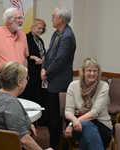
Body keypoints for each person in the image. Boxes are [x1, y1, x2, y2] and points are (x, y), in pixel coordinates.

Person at [0, 61, 53, 150]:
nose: (27, 81)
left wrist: (27, 123)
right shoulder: (11, 103)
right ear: (19, 82)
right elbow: (24, 140)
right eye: (26, 78)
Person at [41, 7, 76, 149]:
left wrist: (46, 73)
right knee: (51, 116)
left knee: (57, 118)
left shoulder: (67, 36)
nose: (51, 18)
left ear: (61, 19)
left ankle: (57, 146)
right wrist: (43, 67)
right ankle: (53, 144)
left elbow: (60, 60)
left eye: (53, 16)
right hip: (51, 79)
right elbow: (49, 54)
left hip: (59, 82)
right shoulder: (57, 33)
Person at [65, 58, 113, 150]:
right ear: (83, 72)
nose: (92, 73)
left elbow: (94, 113)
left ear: (98, 73)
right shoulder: (73, 86)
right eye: (89, 70)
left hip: (102, 126)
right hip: (78, 126)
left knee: (86, 129)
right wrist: (74, 122)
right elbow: (68, 111)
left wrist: (72, 123)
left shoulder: (103, 86)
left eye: (95, 71)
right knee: (87, 128)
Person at [20, 18, 46, 105]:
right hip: (30, 72)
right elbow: (21, 53)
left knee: (37, 97)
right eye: (39, 28)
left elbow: (43, 54)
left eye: (42, 29)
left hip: (39, 72)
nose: (41, 30)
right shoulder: (26, 38)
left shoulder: (40, 40)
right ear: (32, 27)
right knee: (29, 97)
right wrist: (33, 57)